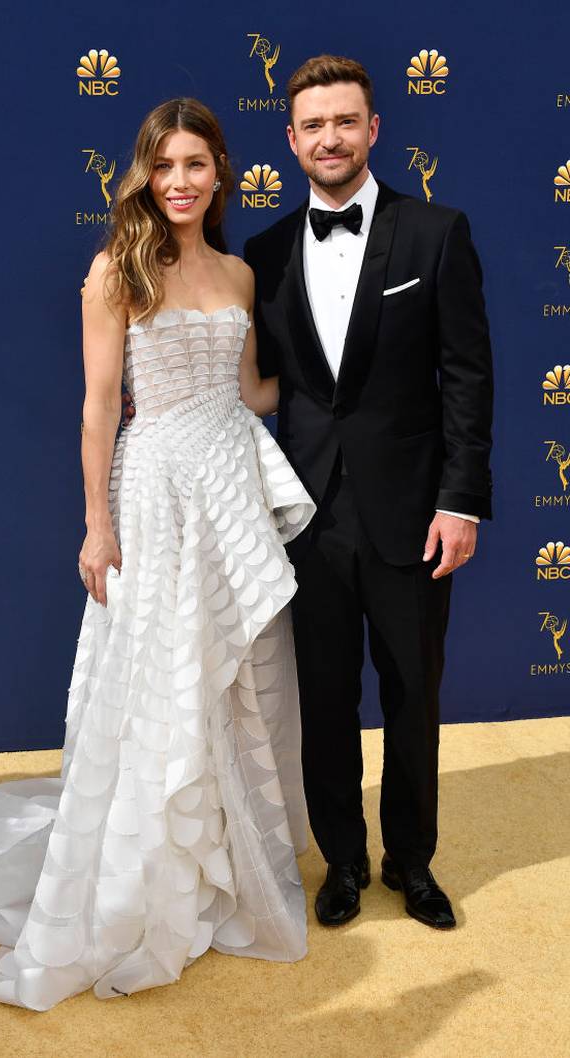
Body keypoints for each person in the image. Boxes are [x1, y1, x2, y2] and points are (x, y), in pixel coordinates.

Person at [0, 98, 315, 1010]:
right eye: (166, 166)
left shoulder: (239, 276)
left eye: (198, 164)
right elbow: (98, 406)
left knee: (238, 674)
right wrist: (96, 522)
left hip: (227, 483)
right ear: (145, 176)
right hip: (153, 488)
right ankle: (151, 871)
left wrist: (345, 378)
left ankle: (230, 865)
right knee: (161, 674)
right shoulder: (117, 271)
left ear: (222, 171)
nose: (182, 182)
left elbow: (251, 392)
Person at [244, 55, 493, 931]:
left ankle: (412, 864)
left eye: (344, 121)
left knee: (413, 697)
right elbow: (263, 385)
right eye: (313, 125)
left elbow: (466, 375)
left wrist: (461, 501)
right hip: (307, 518)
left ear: (374, 128)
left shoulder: (435, 233)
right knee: (322, 700)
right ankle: (342, 862)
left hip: (415, 515)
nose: (330, 138)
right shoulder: (266, 252)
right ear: (291, 140)